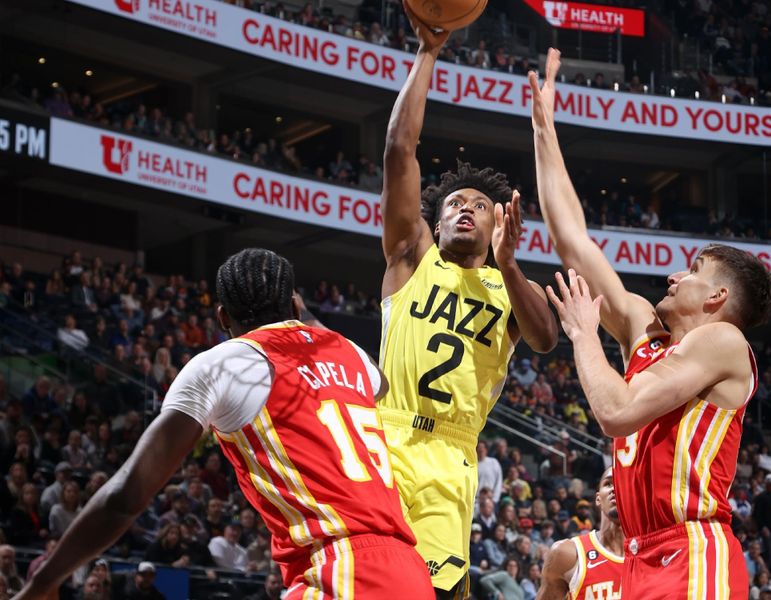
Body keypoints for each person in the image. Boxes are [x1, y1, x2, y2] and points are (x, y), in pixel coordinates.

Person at [16, 248, 433, 600]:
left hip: (341, 572)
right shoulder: (348, 353)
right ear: (294, 306)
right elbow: (379, 382)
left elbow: (126, 496)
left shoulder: (224, 363)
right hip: (410, 573)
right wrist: (308, 322)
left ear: (221, 318)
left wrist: (43, 579)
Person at [532, 48, 771, 599]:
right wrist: (544, 132)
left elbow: (617, 412)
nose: (673, 274)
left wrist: (583, 335)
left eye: (692, 270)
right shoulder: (646, 332)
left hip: (693, 550)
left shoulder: (724, 342)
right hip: (641, 556)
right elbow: (572, 239)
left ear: (717, 295)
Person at [378, 9, 557, 598]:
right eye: (454, 202)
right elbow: (399, 149)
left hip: (451, 454)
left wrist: (508, 265)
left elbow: (546, 339)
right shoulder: (410, 254)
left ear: (500, 221)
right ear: (436, 217)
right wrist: (428, 53)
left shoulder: (509, 288)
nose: (463, 209)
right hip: (385, 437)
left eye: (479, 205)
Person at [537, 468, 623, 600]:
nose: (614, 488)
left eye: (621, 482)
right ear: (598, 499)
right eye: (608, 484)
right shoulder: (567, 553)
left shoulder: (653, 556)